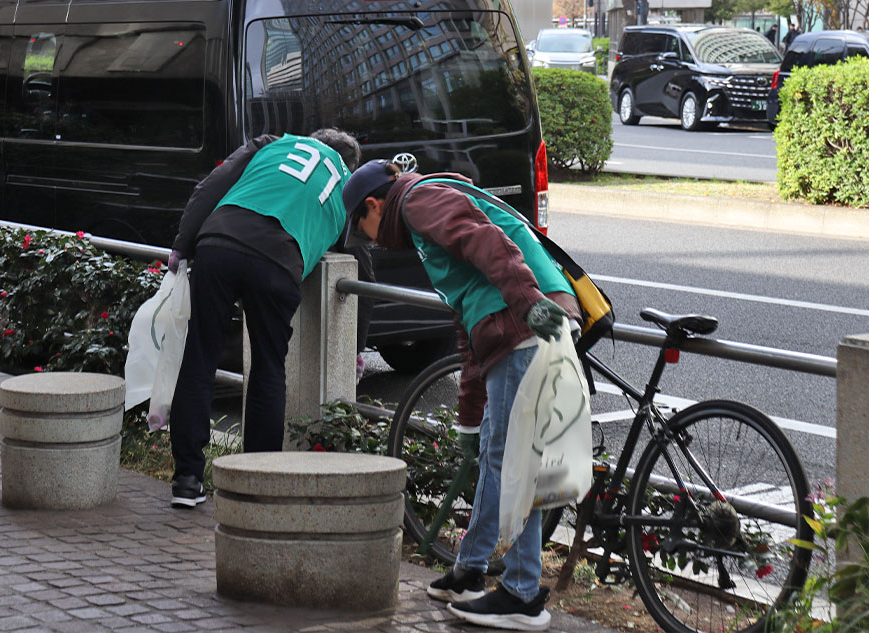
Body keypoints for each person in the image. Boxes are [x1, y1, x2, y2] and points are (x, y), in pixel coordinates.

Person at [342, 160, 582, 632]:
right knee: (498, 454)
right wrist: (470, 418)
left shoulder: (416, 201)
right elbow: (466, 322)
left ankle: (521, 593)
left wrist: (533, 306)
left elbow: (488, 242)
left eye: (363, 228)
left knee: (517, 461)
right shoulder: (421, 212)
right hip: (507, 329)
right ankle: (471, 569)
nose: (369, 239)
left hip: (522, 326)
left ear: (374, 205)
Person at [165, 129, 360, 508]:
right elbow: (359, 254)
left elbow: (211, 185)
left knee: (200, 355)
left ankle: (187, 479)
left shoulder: (273, 142)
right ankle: (256, 482)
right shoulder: (349, 186)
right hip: (279, 260)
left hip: (220, 240)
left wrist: (182, 244)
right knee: (269, 369)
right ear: (349, 164)